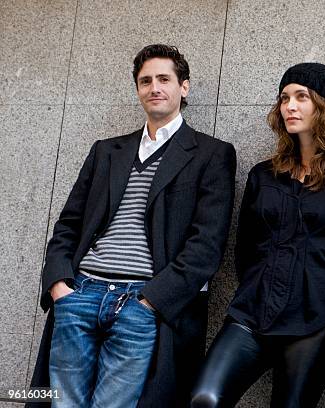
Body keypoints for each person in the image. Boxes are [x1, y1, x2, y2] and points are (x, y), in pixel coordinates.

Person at [28, 44, 236, 407]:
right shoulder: (106, 151)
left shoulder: (211, 154)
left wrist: (149, 302)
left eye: (164, 79)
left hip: (141, 301)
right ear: (138, 89)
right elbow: (68, 224)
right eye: (145, 80)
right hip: (82, 292)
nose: (154, 87)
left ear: (183, 87)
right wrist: (60, 286)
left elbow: (207, 245)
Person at [191, 62, 325, 408]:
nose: (289, 105)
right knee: (204, 399)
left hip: (314, 319)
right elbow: (246, 247)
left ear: (323, 105)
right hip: (253, 313)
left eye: (301, 97)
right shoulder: (264, 175)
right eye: (284, 98)